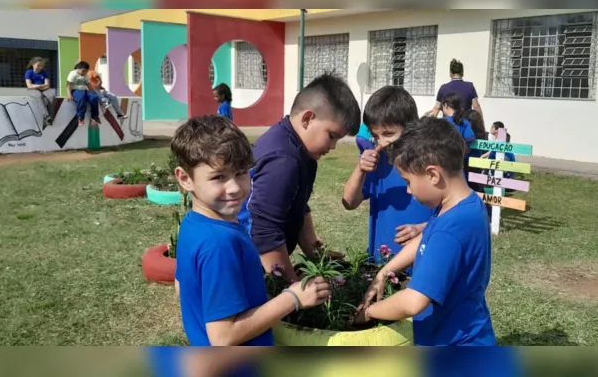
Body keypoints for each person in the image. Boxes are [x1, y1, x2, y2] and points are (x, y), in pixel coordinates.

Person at [172, 115, 332, 347]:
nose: (235, 187)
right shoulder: (219, 244)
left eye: (241, 172)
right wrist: (293, 299)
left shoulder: (193, 224)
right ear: (185, 178)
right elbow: (223, 337)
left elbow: (181, 287)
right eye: (219, 177)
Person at [354, 116, 495, 346]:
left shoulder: (449, 231)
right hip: (466, 329)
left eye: (408, 181)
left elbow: (412, 302)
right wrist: (383, 273)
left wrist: (369, 313)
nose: (409, 190)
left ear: (433, 175)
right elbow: (423, 240)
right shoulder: (463, 204)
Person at [237, 71, 361, 281]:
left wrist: (314, 251)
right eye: (331, 136)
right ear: (307, 118)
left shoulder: (300, 151)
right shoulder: (284, 161)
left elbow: (298, 204)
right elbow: (264, 231)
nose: (332, 146)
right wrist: (293, 287)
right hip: (247, 266)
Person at [341, 86, 434, 272]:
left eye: (389, 134)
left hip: (423, 262)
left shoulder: (433, 160)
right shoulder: (379, 162)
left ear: (410, 126)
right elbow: (349, 202)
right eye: (375, 136)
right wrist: (360, 169)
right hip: (381, 262)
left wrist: (423, 228)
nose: (381, 142)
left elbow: (454, 212)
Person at [428, 59, 485, 129]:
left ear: (450, 74)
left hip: (447, 126)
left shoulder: (443, 88)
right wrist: (481, 125)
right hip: (464, 126)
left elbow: (437, 108)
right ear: (462, 73)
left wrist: (428, 126)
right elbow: (476, 107)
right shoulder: (470, 87)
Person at [66, 61, 101, 126]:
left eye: (86, 71)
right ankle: (80, 117)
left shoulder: (86, 75)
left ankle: (94, 116)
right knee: (81, 98)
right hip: (76, 90)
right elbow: (68, 85)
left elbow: (89, 85)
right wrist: (69, 95)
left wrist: (93, 93)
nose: (84, 73)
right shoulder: (73, 74)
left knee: (94, 97)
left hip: (85, 90)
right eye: (83, 71)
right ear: (78, 69)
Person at [24, 57, 56, 126]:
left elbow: (47, 85)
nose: (40, 67)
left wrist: (39, 86)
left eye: (41, 65)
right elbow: (29, 85)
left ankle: (50, 117)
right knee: (39, 95)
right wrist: (39, 86)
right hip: (33, 90)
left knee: (51, 94)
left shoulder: (44, 73)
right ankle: (46, 115)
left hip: (43, 89)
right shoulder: (29, 72)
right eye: (38, 65)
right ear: (33, 64)